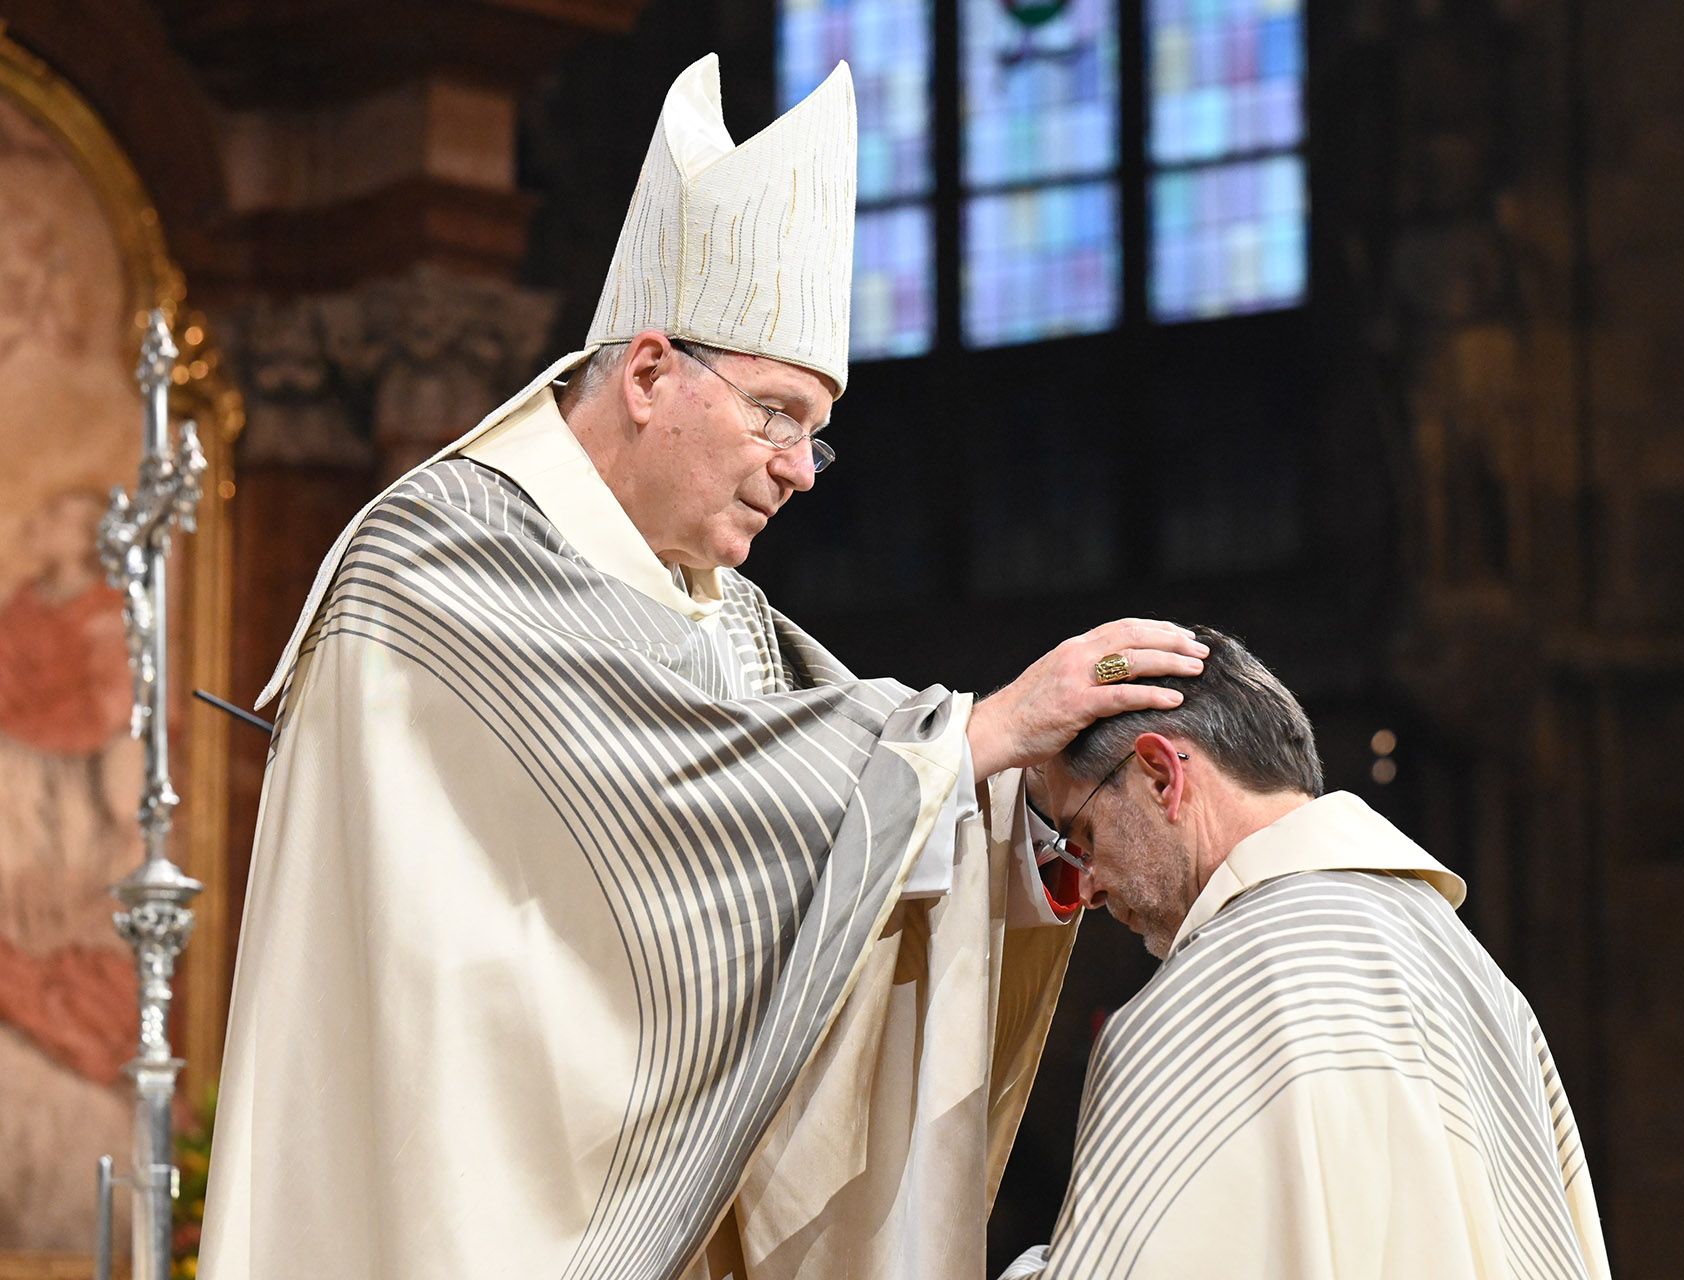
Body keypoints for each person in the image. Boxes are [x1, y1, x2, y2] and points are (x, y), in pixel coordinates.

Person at [199, 54, 1206, 1280]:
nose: (796, 467)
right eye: (777, 413)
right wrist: (985, 730)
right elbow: (709, 803)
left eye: (815, 436)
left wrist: (1031, 826)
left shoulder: (725, 616)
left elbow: (829, 804)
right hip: (443, 1202)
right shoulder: (444, 551)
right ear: (650, 370)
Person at [1007, 627, 1611, 1280]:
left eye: (1081, 836)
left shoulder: (1217, 997)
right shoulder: (1476, 978)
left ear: (1160, 777)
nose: (1088, 887)